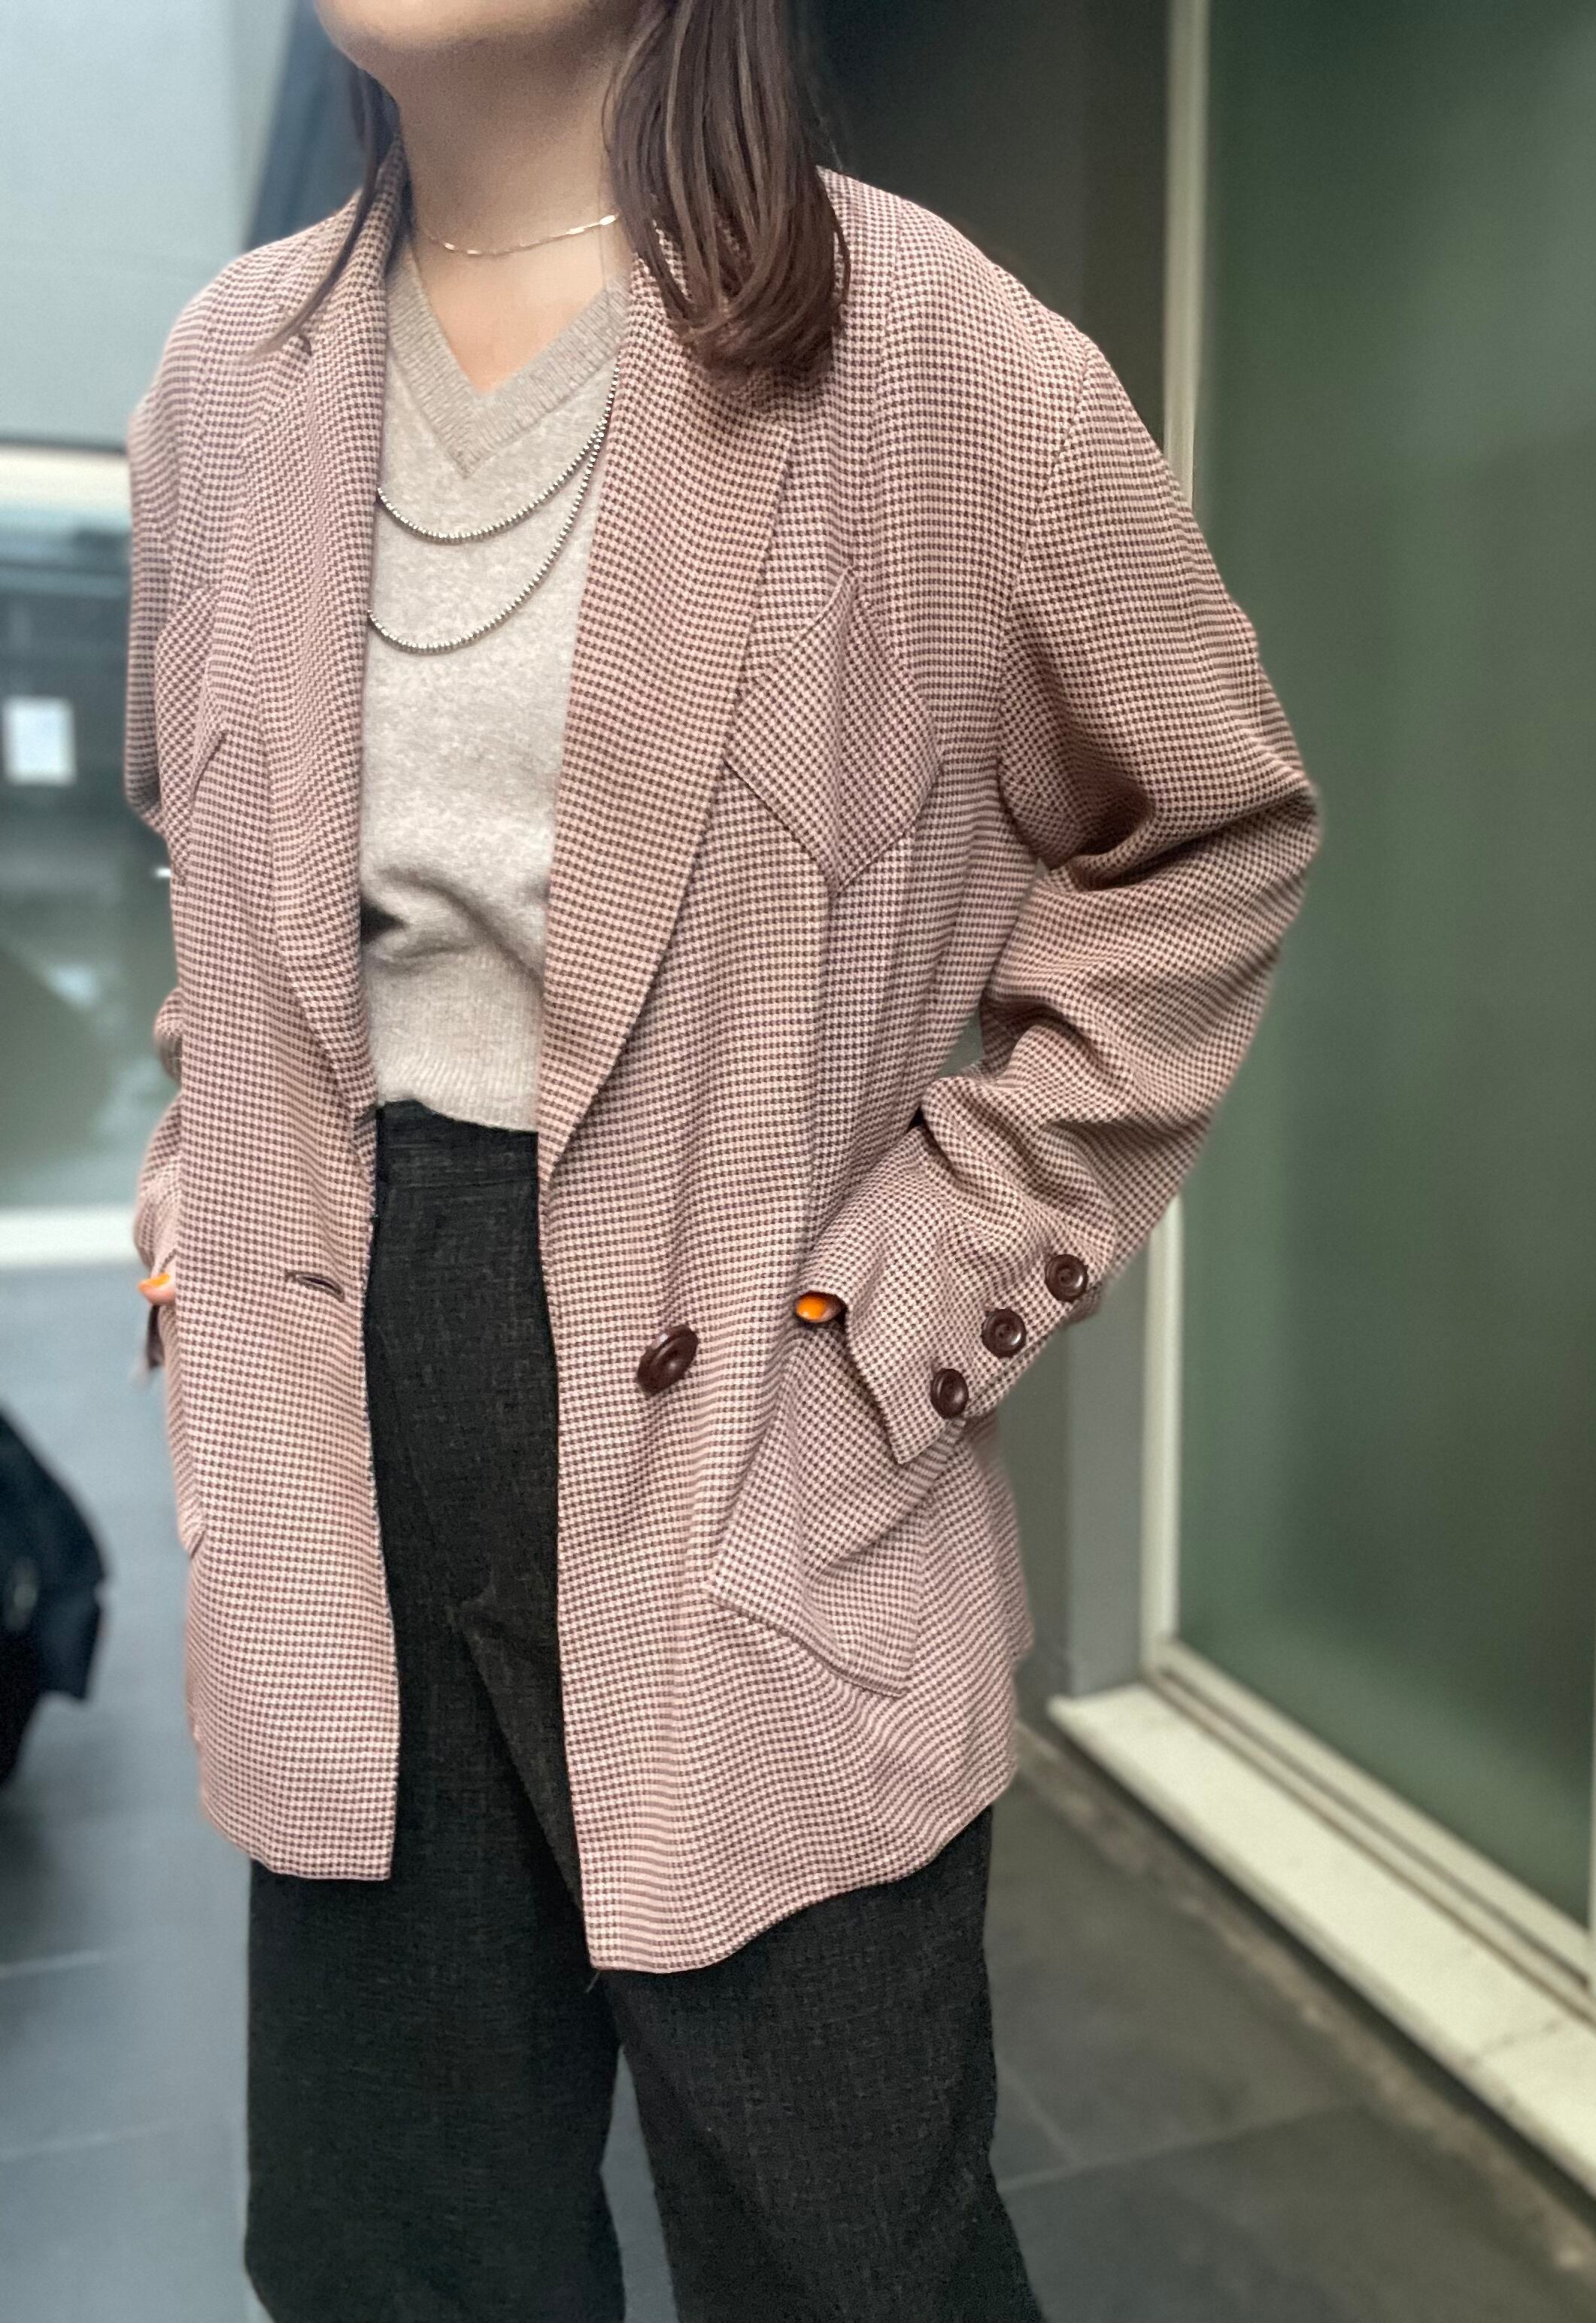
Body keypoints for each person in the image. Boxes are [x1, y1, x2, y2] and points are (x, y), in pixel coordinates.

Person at [126, 1, 1321, 2315]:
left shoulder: (930, 356)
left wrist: (930, 1276)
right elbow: (213, 863)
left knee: (837, 2237)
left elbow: (1206, 830)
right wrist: (205, 1202)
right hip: (330, 1410)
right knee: (399, 2244)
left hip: (747, 1387)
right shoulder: (224, 380)